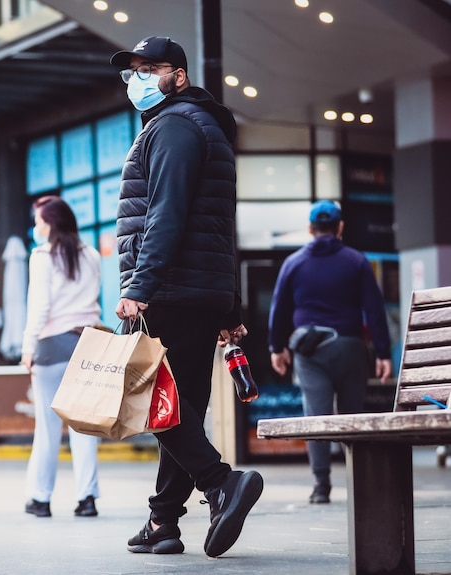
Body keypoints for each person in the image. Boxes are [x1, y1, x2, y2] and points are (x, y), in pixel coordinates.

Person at [109, 36, 263, 558]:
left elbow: (167, 215)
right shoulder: (205, 128)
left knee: (156, 403)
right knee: (184, 408)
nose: (139, 80)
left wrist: (139, 287)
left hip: (170, 290)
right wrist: (230, 304)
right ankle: (164, 522)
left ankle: (221, 482)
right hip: (198, 289)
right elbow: (220, 226)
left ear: (179, 74)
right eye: (133, 72)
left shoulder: (173, 127)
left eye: (151, 69)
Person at [268, 200, 392, 504]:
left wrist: (277, 347)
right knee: (351, 417)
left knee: (317, 416)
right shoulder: (357, 261)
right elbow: (374, 310)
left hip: (310, 352)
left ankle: (321, 486)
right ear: (340, 228)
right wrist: (384, 354)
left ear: (310, 229)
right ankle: (358, 481)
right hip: (351, 347)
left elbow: (278, 309)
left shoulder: (293, 263)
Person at [20, 196, 102, 518]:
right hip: (88, 342)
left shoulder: (41, 257)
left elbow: (39, 306)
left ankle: (40, 499)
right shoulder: (92, 255)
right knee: (85, 425)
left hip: (51, 346)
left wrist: (28, 347)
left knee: (48, 426)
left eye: (39, 220)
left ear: (51, 223)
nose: (36, 226)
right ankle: (87, 499)